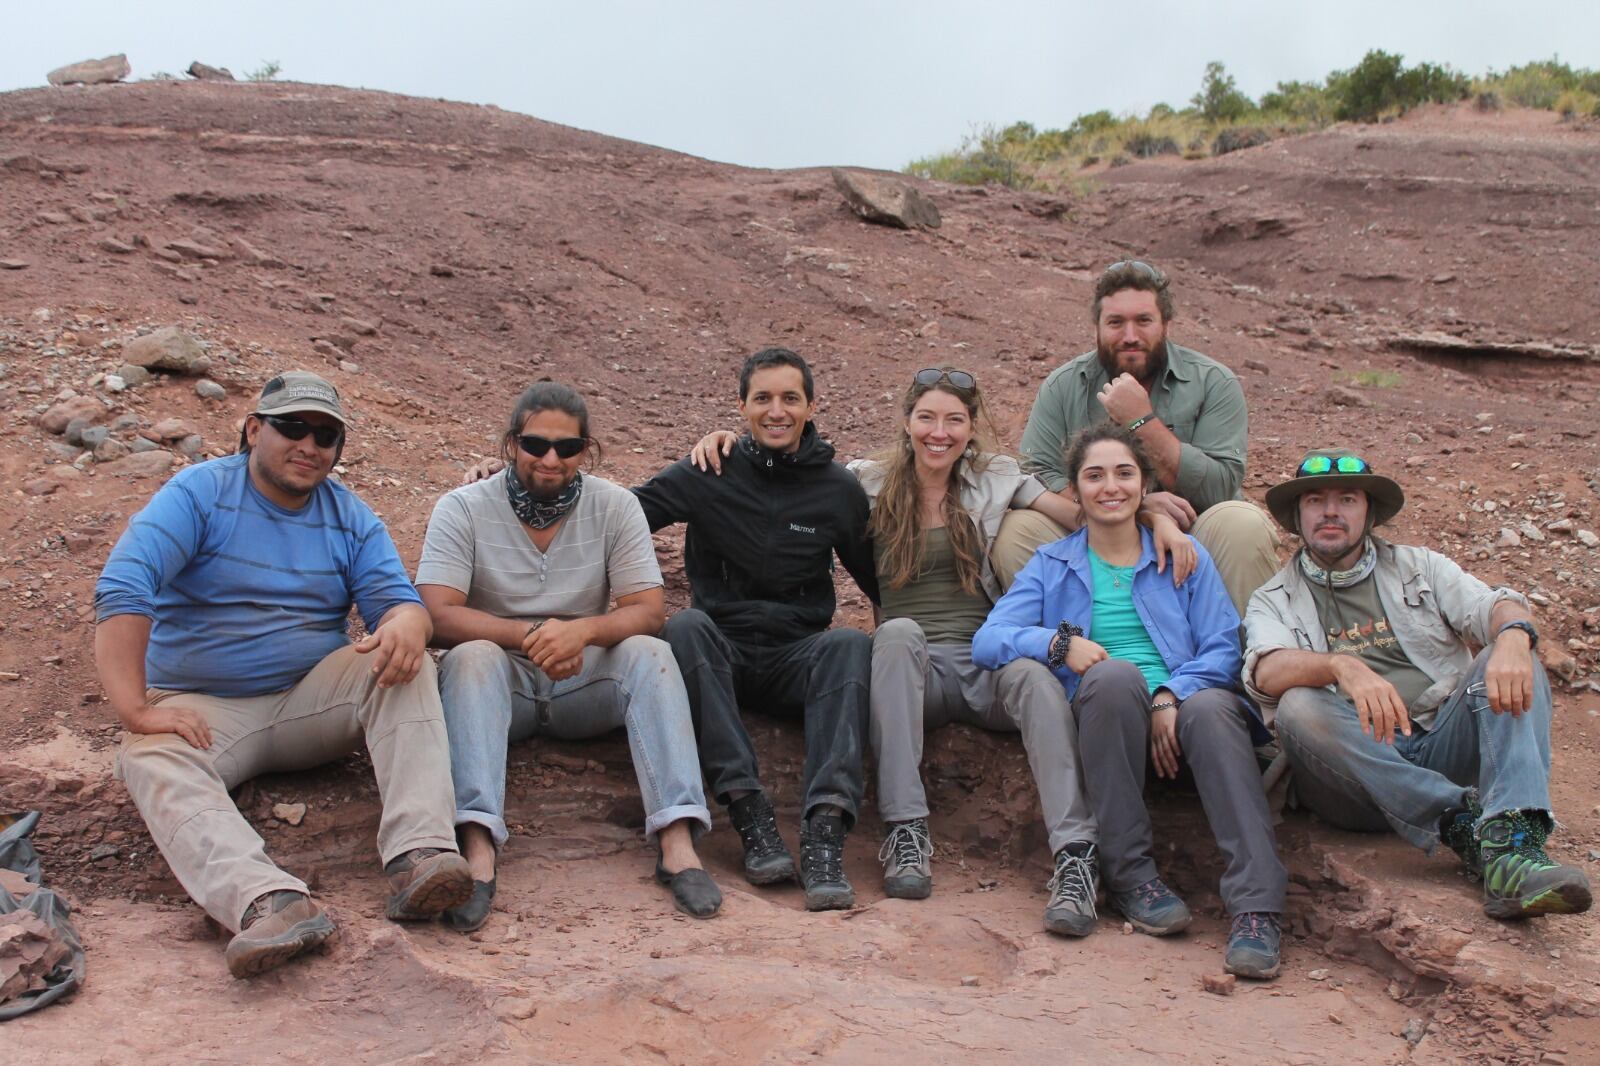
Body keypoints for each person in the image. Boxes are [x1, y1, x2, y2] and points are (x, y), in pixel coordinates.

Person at [692, 368, 1196, 935]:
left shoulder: (998, 478)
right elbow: (784, 477)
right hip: (912, 670)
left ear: (970, 427)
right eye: (927, 417)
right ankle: (906, 831)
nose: (940, 432)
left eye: (954, 420)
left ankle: (1075, 856)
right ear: (907, 422)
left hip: (986, 659)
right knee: (899, 631)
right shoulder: (863, 482)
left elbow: (1089, 511)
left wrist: (1153, 516)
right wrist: (729, 444)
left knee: (1033, 676)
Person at [95, 371, 472, 980]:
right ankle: (268, 902)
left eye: (326, 436)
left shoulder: (350, 517)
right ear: (252, 430)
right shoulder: (197, 494)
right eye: (292, 427)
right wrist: (136, 710)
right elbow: (123, 587)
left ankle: (421, 856)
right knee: (147, 756)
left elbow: (397, 603)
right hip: (203, 709)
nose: (309, 445)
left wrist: (407, 623)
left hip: (308, 699)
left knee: (406, 664)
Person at [974, 423, 1287, 979]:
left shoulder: (1184, 558)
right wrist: (1056, 643)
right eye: (1094, 476)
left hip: (1187, 723)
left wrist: (1171, 694)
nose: (1110, 487)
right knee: (1115, 678)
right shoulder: (1053, 564)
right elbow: (989, 638)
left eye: (1124, 473)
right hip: (1108, 721)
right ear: (1075, 490)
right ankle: (1131, 877)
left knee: (1214, 708)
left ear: (1144, 486)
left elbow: (1221, 646)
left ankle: (1257, 909)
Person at [417, 382, 720, 930]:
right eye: (535, 444)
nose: (551, 458)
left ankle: (678, 841)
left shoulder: (616, 506)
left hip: (582, 678)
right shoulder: (462, 507)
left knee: (650, 652)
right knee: (470, 658)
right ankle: (477, 845)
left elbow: (648, 608)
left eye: (567, 447)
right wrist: (533, 634)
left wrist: (581, 634)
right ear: (511, 444)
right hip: (500, 685)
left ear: (588, 450)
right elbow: (437, 613)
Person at [1244, 449, 1591, 920]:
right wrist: (1341, 667)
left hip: (1440, 743)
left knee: (1509, 656)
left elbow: (1494, 604)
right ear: (1297, 517)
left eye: (1347, 499)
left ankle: (1511, 847)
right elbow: (1266, 670)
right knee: (1300, 705)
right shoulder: (1273, 598)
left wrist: (1513, 635)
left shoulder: (1421, 567)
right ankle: (1462, 823)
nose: (1330, 512)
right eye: (1314, 501)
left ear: (1369, 513)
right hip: (1356, 780)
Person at [637, 347, 879, 911]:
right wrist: (501, 485)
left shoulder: (838, 489)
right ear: (741, 406)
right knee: (686, 626)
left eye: (790, 398)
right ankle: (750, 815)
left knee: (848, 642)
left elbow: (880, 583)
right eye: (763, 398)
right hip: (721, 652)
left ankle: (825, 834)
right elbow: (622, 515)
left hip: (798, 656)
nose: (777, 410)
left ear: (811, 405)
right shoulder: (709, 470)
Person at [991, 259, 1279, 615]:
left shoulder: (1213, 382)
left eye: (1143, 321)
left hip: (1190, 534)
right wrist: (1133, 508)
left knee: (1242, 523)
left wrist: (1141, 421)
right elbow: (1035, 477)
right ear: (1096, 327)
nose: (1130, 336)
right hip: (1093, 535)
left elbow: (1220, 486)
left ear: (1165, 324)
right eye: (1115, 323)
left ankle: (1251, 663)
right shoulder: (1064, 385)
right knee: (1019, 529)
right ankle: (1062, 655)